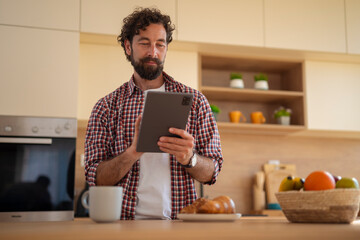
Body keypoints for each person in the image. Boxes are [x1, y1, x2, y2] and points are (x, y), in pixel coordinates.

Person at [84, 7, 223, 220]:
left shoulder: (195, 102)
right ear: (128, 46)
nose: (153, 52)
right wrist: (132, 152)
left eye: (160, 44)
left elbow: (212, 172)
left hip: (180, 226)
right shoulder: (106, 107)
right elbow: (95, 178)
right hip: (123, 227)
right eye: (144, 43)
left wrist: (189, 158)